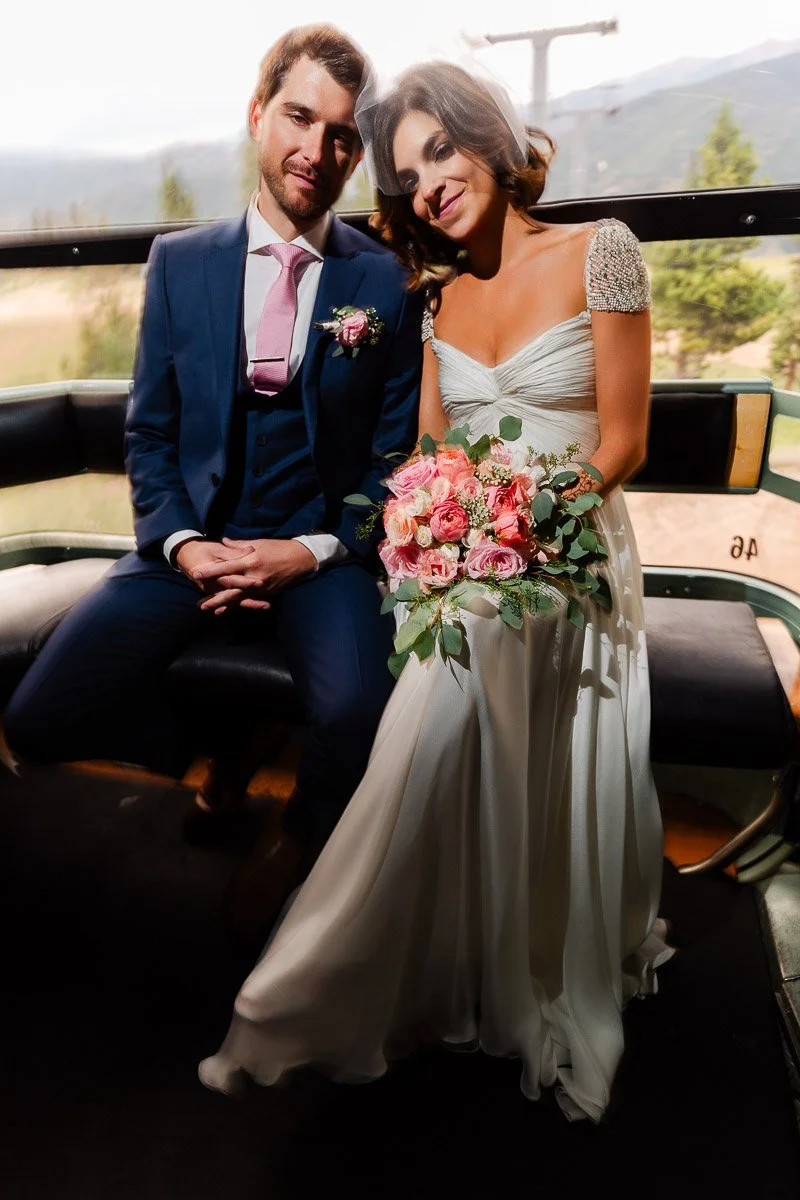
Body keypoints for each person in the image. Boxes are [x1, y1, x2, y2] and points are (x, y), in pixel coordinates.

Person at [198, 58, 674, 1123]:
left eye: (440, 154)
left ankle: (360, 959)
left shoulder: (600, 254)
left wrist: (525, 525)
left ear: (487, 139)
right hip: (465, 560)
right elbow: (424, 453)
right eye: (409, 175)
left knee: (455, 675)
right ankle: (363, 966)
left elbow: (624, 443)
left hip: (571, 549)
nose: (427, 187)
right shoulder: (436, 299)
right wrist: (428, 531)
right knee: (440, 653)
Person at [4, 26, 424, 909]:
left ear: (355, 152)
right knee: (38, 716)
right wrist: (185, 545)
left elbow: (393, 459)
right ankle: (227, 740)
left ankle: (297, 844)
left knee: (354, 712)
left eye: (341, 134)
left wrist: (310, 551)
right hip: (194, 544)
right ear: (256, 115)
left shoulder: (383, 282)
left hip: (321, 551)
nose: (316, 150)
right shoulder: (178, 263)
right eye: (299, 117)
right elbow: (150, 434)